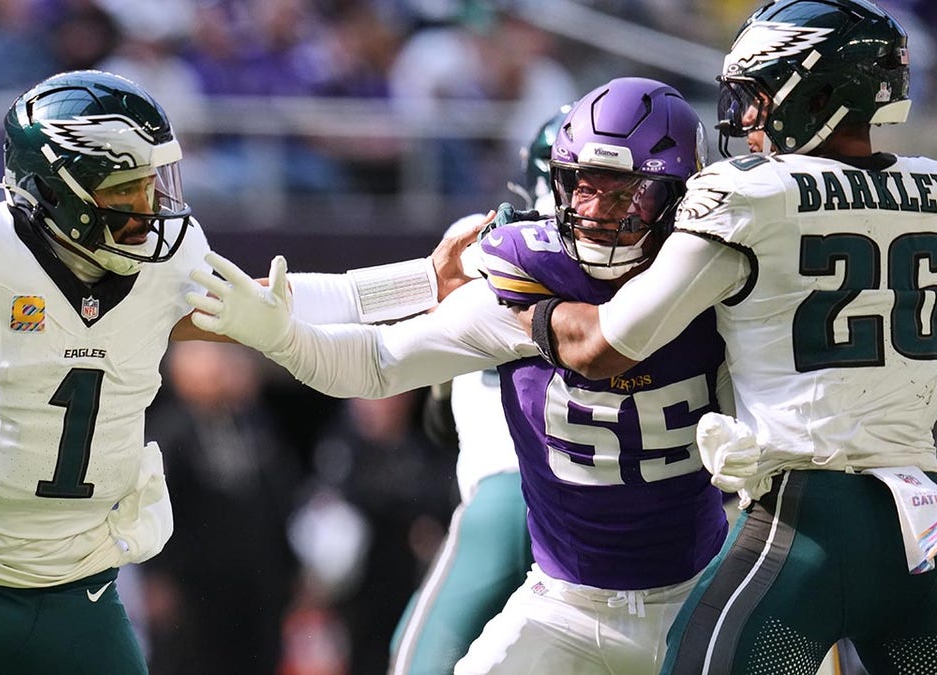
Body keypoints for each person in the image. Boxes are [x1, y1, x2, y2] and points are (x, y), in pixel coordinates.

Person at [0, 68, 482, 674]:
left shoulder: (165, 267)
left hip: (74, 591)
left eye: (153, 183)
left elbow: (277, 301)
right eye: (125, 189)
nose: (151, 207)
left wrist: (423, 280)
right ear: (56, 190)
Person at [187, 77, 732, 675]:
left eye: (625, 194)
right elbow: (376, 362)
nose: (596, 214)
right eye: (582, 186)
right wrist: (282, 337)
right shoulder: (523, 275)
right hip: (565, 603)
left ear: (681, 196)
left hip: (699, 597)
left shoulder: (722, 285)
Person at [503, 1, 937, 673]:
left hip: (809, 525)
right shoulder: (930, 185)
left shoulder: (751, 195)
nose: (744, 119)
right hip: (925, 530)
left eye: (756, 96)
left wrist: (519, 295)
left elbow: (601, 347)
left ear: (816, 94)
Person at [389, 105, 570, 675]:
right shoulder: (648, 265)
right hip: (602, 508)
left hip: (503, 494)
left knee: (417, 660)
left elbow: (438, 416)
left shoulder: (485, 238)